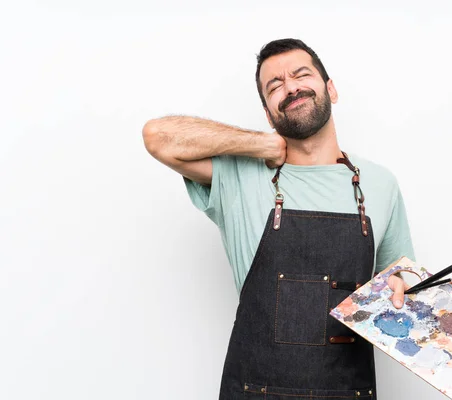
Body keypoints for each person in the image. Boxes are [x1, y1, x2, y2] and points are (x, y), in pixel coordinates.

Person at [142, 38, 415, 400]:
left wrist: (401, 285)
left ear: (330, 89)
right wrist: (260, 145)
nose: (291, 87)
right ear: (269, 114)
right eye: (275, 85)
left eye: (302, 74)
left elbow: (401, 273)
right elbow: (157, 136)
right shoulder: (240, 177)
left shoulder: (380, 184)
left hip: (349, 391)